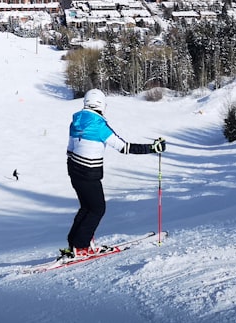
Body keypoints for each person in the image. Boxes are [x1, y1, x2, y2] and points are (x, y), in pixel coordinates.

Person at [62, 89, 164, 259]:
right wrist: (152, 148)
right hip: (89, 172)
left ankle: (75, 243)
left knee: (86, 207)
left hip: (74, 170)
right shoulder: (99, 125)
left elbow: (70, 149)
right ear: (102, 105)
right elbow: (124, 147)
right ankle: (81, 247)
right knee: (97, 209)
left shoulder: (75, 122)